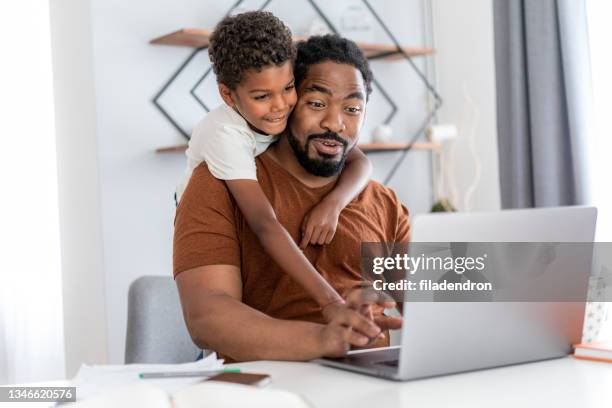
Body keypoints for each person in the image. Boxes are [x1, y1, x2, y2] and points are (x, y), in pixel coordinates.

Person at [174, 34, 409, 362]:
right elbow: (207, 318)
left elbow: (439, 296)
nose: (335, 123)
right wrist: (324, 339)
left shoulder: (381, 201)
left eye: (353, 109)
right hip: (267, 390)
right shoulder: (219, 182)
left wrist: (493, 291)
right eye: (316, 103)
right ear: (289, 100)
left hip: (372, 388)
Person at [175, 11, 373, 321]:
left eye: (288, 88)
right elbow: (265, 224)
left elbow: (361, 161)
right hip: (209, 223)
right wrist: (332, 303)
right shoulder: (225, 143)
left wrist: (333, 204)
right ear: (228, 95)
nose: (280, 105)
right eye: (262, 96)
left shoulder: (380, 201)